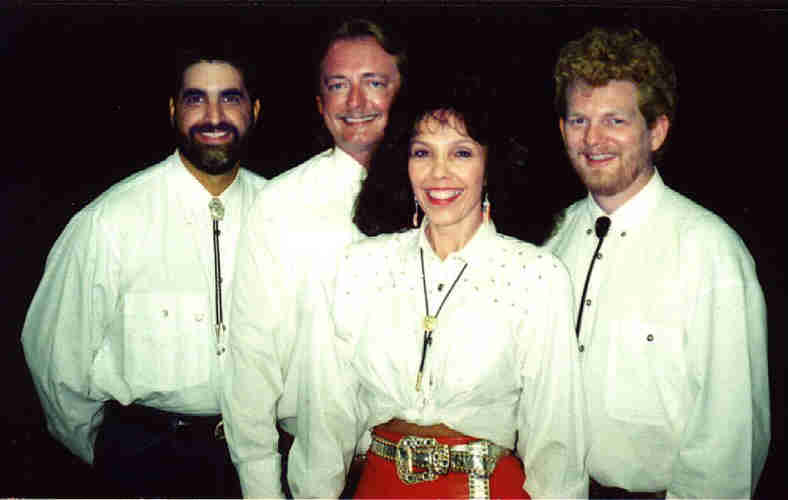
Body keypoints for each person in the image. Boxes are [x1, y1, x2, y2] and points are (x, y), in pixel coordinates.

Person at [287, 85, 588, 498]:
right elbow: (325, 416)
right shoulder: (359, 268)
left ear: (490, 165)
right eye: (422, 152)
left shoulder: (535, 277)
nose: (439, 173)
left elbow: (556, 438)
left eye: (461, 153)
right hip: (380, 488)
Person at [21, 47, 266, 497]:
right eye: (196, 99)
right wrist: (109, 455)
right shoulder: (111, 221)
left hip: (262, 464)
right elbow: (54, 358)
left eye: (230, 98)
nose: (214, 116)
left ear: (254, 110)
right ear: (173, 110)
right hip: (147, 464)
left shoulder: (281, 216)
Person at [545, 27, 770, 498]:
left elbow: (729, 441)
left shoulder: (709, 251)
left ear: (656, 131)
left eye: (615, 120)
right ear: (563, 130)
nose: (593, 139)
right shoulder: (551, 242)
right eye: (579, 120)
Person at [220, 18, 406, 497]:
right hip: (311, 475)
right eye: (338, 85)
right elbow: (252, 358)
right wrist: (261, 485)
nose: (356, 102)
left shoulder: (442, 195)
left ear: (402, 92)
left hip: (419, 470)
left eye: (374, 83)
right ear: (321, 103)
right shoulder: (281, 204)